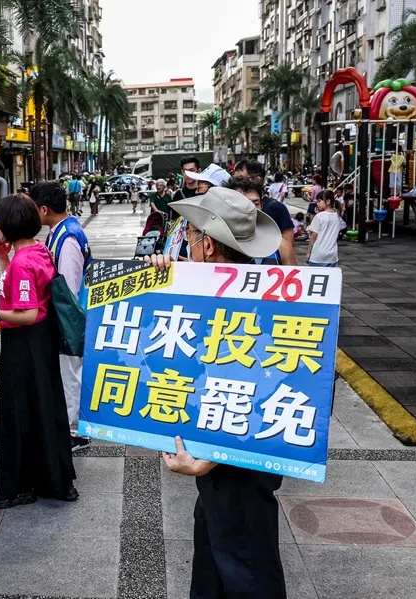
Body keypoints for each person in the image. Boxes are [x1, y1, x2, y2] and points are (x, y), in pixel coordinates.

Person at [144, 187, 286, 599]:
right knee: (217, 555)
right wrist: (161, 277)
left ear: (207, 244)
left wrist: (209, 458)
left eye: (188, 234)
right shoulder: (260, 287)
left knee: (245, 567)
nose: (183, 243)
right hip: (235, 453)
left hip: (238, 458)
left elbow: (251, 385)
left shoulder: (240, 304)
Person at [0, 194, 77, 508]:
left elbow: (28, 312)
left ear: (8, 224)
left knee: (18, 413)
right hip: (40, 342)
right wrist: (4, 259)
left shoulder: (23, 261)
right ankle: (51, 478)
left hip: (24, 343)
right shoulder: (37, 250)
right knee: (43, 408)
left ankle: (17, 486)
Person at [31, 182, 93, 452]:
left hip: (72, 317)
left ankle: (76, 431)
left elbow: (69, 285)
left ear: (44, 209)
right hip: (68, 315)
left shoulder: (68, 237)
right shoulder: (61, 231)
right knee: (67, 371)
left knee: (70, 373)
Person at [226, 178, 297, 266]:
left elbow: (293, 278)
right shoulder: (213, 247)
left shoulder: (280, 247)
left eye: (256, 203)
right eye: (243, 203)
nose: (250, 209)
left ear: (262, 205)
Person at [234, 160, 296, 249]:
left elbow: (288, 242)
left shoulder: (276, 207)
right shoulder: (230, 205)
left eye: (240, 178)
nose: (235, 182)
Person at [307, 190, 340, 267]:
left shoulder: (319, 217)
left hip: (318, 255)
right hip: (332, 256)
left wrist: (309, 252)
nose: (317, 203)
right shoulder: (337, 216)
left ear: (328, 201)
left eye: (319, 201)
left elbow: (313, 236)